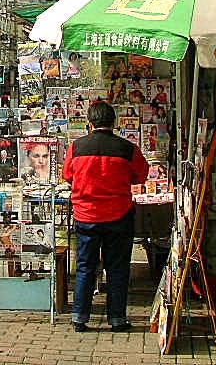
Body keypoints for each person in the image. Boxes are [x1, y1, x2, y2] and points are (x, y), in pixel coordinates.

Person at [62, 99, 148, 333]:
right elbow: (140, 175)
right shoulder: (127, 148)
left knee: (85, 267)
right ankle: (117, 319)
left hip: (85, 216)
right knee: (117, 268)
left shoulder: (76, 147)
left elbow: (67, 175)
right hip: (119, 216)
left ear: (90, 123)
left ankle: (79, 318)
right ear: (114, 122)